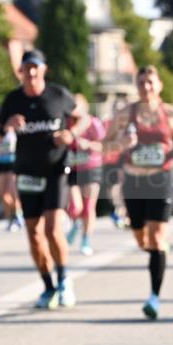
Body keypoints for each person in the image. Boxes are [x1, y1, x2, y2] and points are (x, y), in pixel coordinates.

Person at [0, 48, 81, 309]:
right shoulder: (12, 100)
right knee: (34, 235)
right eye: (26, 68)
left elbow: (82, 118)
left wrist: (70, 135)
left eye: (35, 67)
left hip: (55, 171)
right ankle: (48, 286)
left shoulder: (58, 95)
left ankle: (64, 279)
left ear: (43, 70)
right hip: (27, 173)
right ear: (20, 72)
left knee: (53, 229)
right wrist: (6, 127)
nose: (30, 73)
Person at [105, 65, 173, 320]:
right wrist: (120, 144)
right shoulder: (123, 114)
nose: (147, 87)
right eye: (142, 83)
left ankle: (154, 297)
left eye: (151, 82)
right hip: (133, 181)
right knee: (143, 240)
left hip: (161, 178)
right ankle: (157, 250)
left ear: (159, 85)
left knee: (157, 237)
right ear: (137, 86)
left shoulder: (172, 114)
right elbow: (105, 145)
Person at [65, 93, 105, 255]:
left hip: (91, 168)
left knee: (88, 208)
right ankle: (76, 224)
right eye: (71, 106)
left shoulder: (93, 123)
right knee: (75, 208)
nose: (74, 109)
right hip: (72, 169)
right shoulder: (67, 124)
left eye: (77, 106)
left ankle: (86, 240)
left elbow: (103, 146)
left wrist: (88, 144)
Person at [0, 127, 23, 231]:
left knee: (12, 193)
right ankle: (11, 218)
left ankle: (18, 216)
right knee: (4, 197)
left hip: (13, 164)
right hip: (0, 165)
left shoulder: (16, 131)